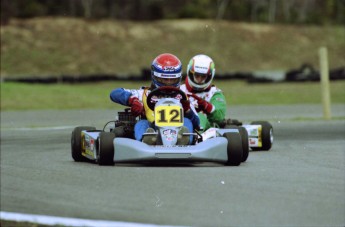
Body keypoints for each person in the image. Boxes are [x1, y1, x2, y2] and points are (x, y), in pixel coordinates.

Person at [110, 53, 200, 145]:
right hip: (152, 128)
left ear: (178, 78)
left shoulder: (183, 97)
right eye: (164, 80)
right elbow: (115, 93)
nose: (168, 83)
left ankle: (183, 140)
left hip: (177, 131)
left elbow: (197, 123)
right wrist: (132, 100)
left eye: (172, 80)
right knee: (142, 123)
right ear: (155, 77)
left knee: (187, 121)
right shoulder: (144, 93)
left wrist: (188, 111)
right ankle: (147, 140)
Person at [180, 54, 226, 131]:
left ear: (210, 76)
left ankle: (196, 137)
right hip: (179, 123)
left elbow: (219, 117)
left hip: (207, 130)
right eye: (197, 75)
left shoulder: (215, 93)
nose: (199, 80)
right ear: (190, 73)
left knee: (200, 116)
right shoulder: (180, 90)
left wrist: (206, 106)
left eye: (203, 76)